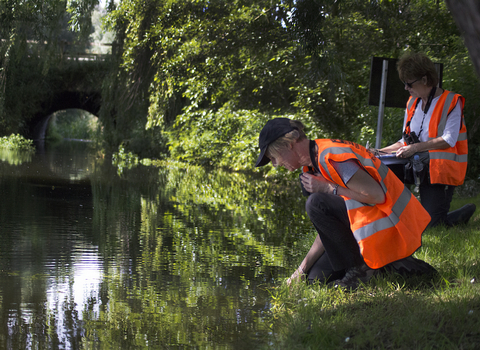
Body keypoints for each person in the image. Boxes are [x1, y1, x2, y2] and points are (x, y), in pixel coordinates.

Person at [255, 118, 435, 289]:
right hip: (371, 231)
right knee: (314, 279)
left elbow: (376, 195)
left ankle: (360, 269)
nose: (275, 164)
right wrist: (300, 270)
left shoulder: (332, 156)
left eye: (273, 157)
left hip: (393, 227)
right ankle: (387, 266)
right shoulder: (313, 165)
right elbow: (328, 229)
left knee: (315, 202)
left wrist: (329, 189)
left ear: (288, 144)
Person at [379, 52, 476, 228]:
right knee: (380, 167)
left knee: (432, 226)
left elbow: (449, 140)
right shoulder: (411, 103)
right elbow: (404, 141)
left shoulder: (452, 101)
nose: (406, 88)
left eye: (409, 83)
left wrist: (416, 148)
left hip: (439, 171)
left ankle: (460, 215)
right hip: (417, 165)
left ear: (424, 80)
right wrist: (378, 152)